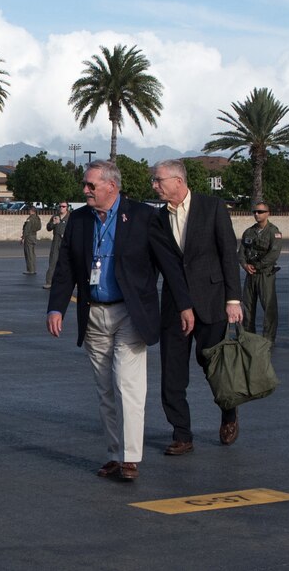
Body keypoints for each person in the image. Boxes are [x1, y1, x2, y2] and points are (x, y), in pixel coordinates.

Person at [47, 162, 193, 481]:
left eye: (90, 185)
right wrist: (56, 308)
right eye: (85, 185)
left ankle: (130, 458)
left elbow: (169, 263)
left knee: (128, 385)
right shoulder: (79, 220)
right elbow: (65, 267)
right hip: (94, 314)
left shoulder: (143, 216)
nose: (84, 190)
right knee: (105, 390)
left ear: (111, 187)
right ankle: (114, 454)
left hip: (131, 313)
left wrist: (184, 305)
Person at [151, 159, 242, 454]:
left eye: (158, 180)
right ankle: (182, 434)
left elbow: (229, 254)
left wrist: (233, 300)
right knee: (172, 373)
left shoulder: (211, 206)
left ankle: (229, 413)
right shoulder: (158, 218)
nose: (154, 186)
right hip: (175, 307)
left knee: (213, 368)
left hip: (212, 302)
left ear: (178, 181)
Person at [238, 202, 282, 344]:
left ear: (268, 213)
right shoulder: (249, 232)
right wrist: (245, 265)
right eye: (255, 212)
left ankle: (268, 338)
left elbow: (273, 254)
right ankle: (247, 336)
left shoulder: (273, 232)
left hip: (265, 274)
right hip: (251, 274)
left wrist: (257, 266)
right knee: (247, 306)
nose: (257, 214)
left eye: (260, 212)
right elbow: (241, 252)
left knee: (269, 307)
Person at [43, 202, 71, 289]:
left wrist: (66, 235)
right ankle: (49, 282)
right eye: (60, 206)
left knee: (67, 263)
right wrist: (54, 223)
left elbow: (75, 229)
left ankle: (68, 282)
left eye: (63, 206)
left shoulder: (70, 217)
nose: (61, 208)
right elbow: (48, 227)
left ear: (67, 207)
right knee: (53, 261)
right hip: (56, 241)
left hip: (66, 242)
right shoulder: (55, 216)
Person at [22, 205, 41, 275]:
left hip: (29, 237)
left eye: (29, 210)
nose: (28, 211)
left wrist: (23, 237)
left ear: (32, 211)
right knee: (32, 253)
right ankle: (33, 268)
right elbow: (39, 227)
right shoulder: (37, 218)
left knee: (28, 253)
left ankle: (30, 270)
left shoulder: (30, 219)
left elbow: (26, 229)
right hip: (34, 236)